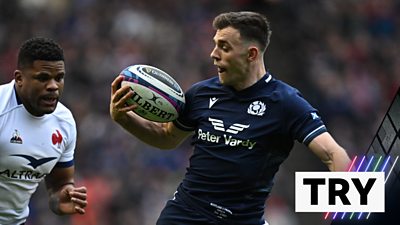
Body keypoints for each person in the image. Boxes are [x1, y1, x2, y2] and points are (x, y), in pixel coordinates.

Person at [110, 11, 351, 225]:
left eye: (224, 47)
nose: (213, 54)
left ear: (251, 54)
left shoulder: (286, 102)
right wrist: (124, 119)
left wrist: (348, 214)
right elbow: (166, 138)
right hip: (185, 212)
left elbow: (333, 155)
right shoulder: (200, 93)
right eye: (215, 45)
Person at [0, 37, 87, 224]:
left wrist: (62, 198)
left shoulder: (64, 122)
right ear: (19, 78)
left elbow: (59, 184)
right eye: (43, 78)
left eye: (59, 78)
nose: (53, 86)